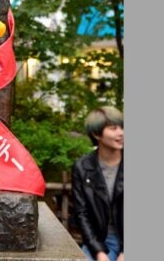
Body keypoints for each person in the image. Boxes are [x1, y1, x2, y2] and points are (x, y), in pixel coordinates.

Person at [72, 106, 124, 261]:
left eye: (122, 127)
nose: (121, 133)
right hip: (98, 240)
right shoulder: (82, 167)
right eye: (113, 128)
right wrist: (99, 252)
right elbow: (81, 214)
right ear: (96, 134)